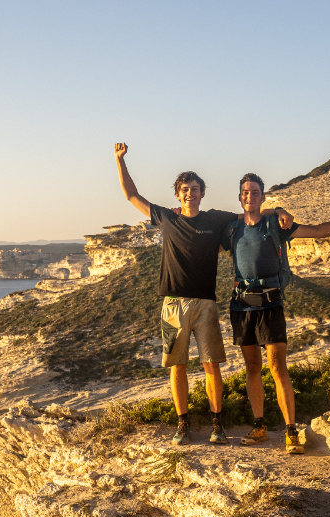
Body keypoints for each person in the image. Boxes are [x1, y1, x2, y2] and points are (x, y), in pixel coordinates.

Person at [114, 143, 293, 446]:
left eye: (195, 189)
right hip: (173, 304)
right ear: (177, 194)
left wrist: (277, 210)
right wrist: (119, 160)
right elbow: (132, 195)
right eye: (185, 190)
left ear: (202, 193)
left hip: (206, 304)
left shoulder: (215, 219)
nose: (190, 194)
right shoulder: (166, 217)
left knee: (212, 365)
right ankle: (182, 424)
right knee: (177, 366)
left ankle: (217, 424)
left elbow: (249, 213)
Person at [223, 172, 330, 454]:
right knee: (252, 367)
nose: (249, 196)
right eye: (245, 192)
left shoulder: (274, 225)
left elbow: (318, 231)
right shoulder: (231, 228)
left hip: (270, 304)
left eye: (255, 192)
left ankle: (291, 432)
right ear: (240, 197)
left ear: (262, 197)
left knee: (277, 367)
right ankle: (259, 427)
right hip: (241, 306)